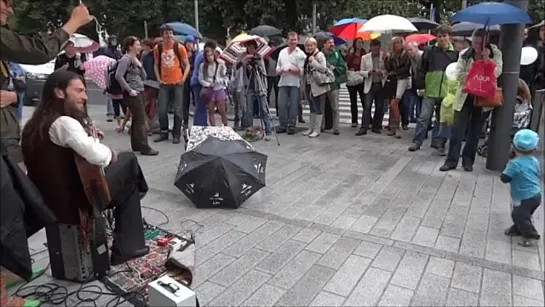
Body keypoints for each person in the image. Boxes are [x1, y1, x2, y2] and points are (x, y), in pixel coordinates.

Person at [21, 70, 151, 266]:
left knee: (128, 185)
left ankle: (131, 241)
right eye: (79, 91)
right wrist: (108, 152)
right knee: (129, 161)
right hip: (74, 205)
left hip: (49, 202)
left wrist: (89, 137)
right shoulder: (64, 123)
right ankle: (129, 242)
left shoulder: (35, 124)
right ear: (59, 93)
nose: (85, 96)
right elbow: (99, 156)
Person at [440, 29, 502, 172]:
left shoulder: (495, 52)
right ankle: (451, 161)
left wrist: (487, 61)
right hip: (465, 95)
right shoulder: (465, 54)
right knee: (457, 130)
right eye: (474, 42)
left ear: (486, 41)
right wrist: (475, 73)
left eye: (479, 43)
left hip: (483, 98)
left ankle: (468, 161)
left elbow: (497, 72)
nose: (476, 46)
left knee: (474, 131)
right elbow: (459, 74)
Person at [409, 25, 458, 154]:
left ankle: (439, 143)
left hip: (447, 92)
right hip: (430, 89)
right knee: (424, 117)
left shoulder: (455, 54)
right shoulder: (429, 51)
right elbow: (421, 70)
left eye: (444, 36)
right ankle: (417, 141)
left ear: (450, 37)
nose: (441, 39)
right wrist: (421, 87)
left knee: (442, 119)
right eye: (440, 36)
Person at [115, 36, 158, 156]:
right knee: (140, 120)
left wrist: (139, 65)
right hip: (133, 93)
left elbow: (144, 77)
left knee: (136, 119)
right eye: (137, 45)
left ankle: (136, 145)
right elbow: (118, 76)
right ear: (130, 46)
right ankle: (145, 147)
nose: (140, 47)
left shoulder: (136, 59)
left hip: (140, 90)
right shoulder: (125, 59)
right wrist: (129, 90)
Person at [502, 129, 542, 247]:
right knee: (521, 215)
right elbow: (538, 173)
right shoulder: (534, 161)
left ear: (513, 147)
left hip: (525, 197)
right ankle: (518, 229)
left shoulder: (514, 164)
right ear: (534, 149)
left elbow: (505, 178)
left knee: (520, 215)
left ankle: (531, 235)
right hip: (536, 195)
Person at [153, 25, 190, 144]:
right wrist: (158, 79)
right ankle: (163, 132)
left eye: (170, 33)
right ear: (162, 35)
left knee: (178, 110)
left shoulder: (179, 47)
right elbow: (156, 64)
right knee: (162, 109)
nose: (168, 36)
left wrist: (183, 79)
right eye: (166, 33)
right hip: (164, 83)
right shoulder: (158, 48)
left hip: (177, 82)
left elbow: (187, 65)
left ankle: (176, 134)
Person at [234, 40, 272, 140]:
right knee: (249, 111)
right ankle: (250, 132)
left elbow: (263, 71)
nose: (251, 49)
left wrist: (254, 65)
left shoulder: (258, 56)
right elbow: (236, 67)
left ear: (255, 48)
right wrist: (244, 62)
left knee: (264, 109)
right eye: (249, 47)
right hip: (248, 86)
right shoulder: (242, 56)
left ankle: (268, 131)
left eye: (253, 47)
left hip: (259, 86)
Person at [276, 31, 306, 135]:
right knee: (281, 104)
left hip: (294, 83)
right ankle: (283, 125)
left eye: (295, 40)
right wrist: (280, 70)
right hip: (283, 82)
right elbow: (277, 67)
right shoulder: (282, 52)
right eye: (291, 39)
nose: (293, 42)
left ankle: (292, 125)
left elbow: (301, 71)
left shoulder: (300, 54)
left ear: (297, 41)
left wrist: (290, 69)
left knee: (294, 105)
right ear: (287, 40)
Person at [356, 39, 387, 136]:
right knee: (367, 107)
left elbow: (388, 69)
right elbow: (361, 71)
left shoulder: (384, 56)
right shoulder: (365, 57)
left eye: (377, 47)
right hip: (370, 84)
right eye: (373, 46)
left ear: (379, 47)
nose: (375, 48)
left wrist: (381, 72)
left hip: (381, 84)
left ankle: (376, 126)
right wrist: (368, 73)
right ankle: (364, 127)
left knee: (379, 107)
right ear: (370, 47)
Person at [301, 37, 329, 138]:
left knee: (317, 106)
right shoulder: (308, 56)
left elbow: (323, 68)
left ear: (315, 46)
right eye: (307, 45)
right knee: (311, 106)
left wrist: (313, 62)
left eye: (311, 45)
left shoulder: (319, 55)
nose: (309, 47)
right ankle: (311, 128)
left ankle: (317, 129)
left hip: (317, 85)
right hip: (309, 84)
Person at [384, 36, 411, 138]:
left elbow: (406, 68)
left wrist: (394, 72)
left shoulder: (406, 54)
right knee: (393, 104)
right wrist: (386, 59)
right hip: (394, 81)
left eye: (397, 43)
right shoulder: (392, 55)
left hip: (403, 79)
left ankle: (397, 126)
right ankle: (393, 126)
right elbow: (388, 68)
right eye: (394, 43)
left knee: (395, 103)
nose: (396, 45)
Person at [322, 38, 347, 135]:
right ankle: (321, 126)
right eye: (329, 43)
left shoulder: (337, 54)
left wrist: (335, 68)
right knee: (321, 106)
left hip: (334, 84)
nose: (331, 44)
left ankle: (336, 128)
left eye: (332, 43)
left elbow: (343, 68)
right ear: (324, 44)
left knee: (335, 107)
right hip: (322, 84)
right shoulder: (320, 54)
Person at [199, 47, 229, 127]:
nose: (210, 57)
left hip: (219, 88)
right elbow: (201, 79)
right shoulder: (203, 66)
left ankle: (226, 127)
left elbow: (226, 76)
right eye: (208, 56)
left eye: (211, 55)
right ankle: (213, 128)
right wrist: (208, 84)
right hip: (209, 89)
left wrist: (222, 81)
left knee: (222, 110)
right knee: (211, 110)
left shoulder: (220, 64)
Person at [191, 40, 217, 127]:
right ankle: (199, 126)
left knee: (201, 105)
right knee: (201, 106)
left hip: (196, 81)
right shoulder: (204, 57)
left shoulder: (200, 54)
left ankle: (202, 124)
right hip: (199, 82)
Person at [346, 37, 366, 128]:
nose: (359, 44)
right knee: (353, 101)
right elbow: (347, 63)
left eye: (361, 42)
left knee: (364, 100)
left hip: (361, 78)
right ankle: (354, 120)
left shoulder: (364, 53)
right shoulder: (351, 52)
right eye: (358, 42)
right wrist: (350, 55)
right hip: (352, 77)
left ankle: (367, 120)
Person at [102, 35, 123, 122]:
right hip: (110, 72)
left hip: (117, 71)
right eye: (112, 40)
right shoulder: (107, 51)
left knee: (118, 93)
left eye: (115, 40)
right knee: (110, 92)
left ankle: (117, 112)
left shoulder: (118, 51)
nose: (114, 41)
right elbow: (106, 61)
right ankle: (110, 113)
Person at [141, 39, 159, 133]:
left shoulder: (145, 56)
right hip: (155, 82)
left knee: (147, 102)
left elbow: (142, 69)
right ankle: (149, 123)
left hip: (147, 81)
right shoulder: (156, 55)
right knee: (152, 103)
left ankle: (147, 123)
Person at [404, 41, 423, 124]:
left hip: (422, 83)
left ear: (416, 48)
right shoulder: (411, 58)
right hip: (415, 82)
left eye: (410, 50)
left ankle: (421, 120)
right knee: (415, 101)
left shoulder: (421, 56)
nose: (409, 52)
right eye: (407, 50)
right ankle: (415, 118)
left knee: (421, 103)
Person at [182, 35, 197, 131]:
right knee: (185, 102)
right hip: (185, 79)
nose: (189, 45)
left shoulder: (196, 54)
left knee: (196, 101)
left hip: (194, 79)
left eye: (191, 43)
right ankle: (185, 123)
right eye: (188, 43)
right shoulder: (182, 53)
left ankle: (198, 122)